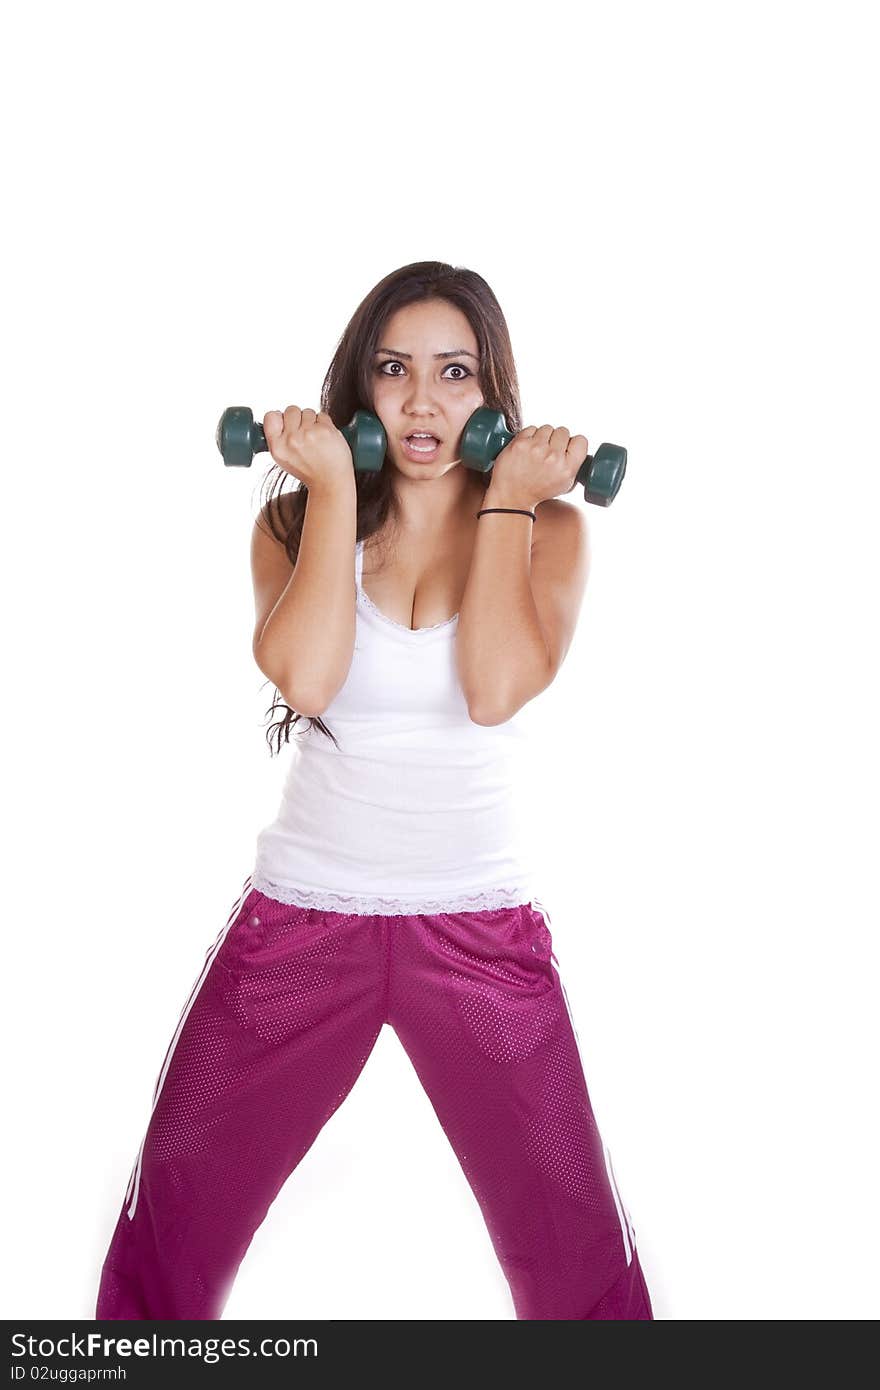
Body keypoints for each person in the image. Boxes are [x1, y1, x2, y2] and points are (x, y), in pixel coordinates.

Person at [95, 261, 654, 1321]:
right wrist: (337, 491)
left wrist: (512, 500)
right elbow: (306, 677)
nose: (422, 403)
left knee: (579, 1262)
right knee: (168, 1234)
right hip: (302, 918)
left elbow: (492, 687)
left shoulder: (554, 529)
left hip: (480, 928)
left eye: (454, 372)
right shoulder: (294, 526)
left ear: (493, 396)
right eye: (394, 371)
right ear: (361, 389)